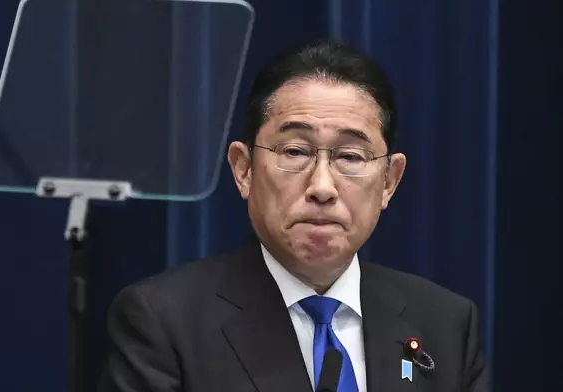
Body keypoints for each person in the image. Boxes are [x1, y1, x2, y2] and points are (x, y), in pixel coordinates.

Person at [98, 41, 491, 392]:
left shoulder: (445, 324)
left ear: (389, 181)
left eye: (350, 157)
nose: (322, 186)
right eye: (295, 152)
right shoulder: (164, 322)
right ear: (244, 169)